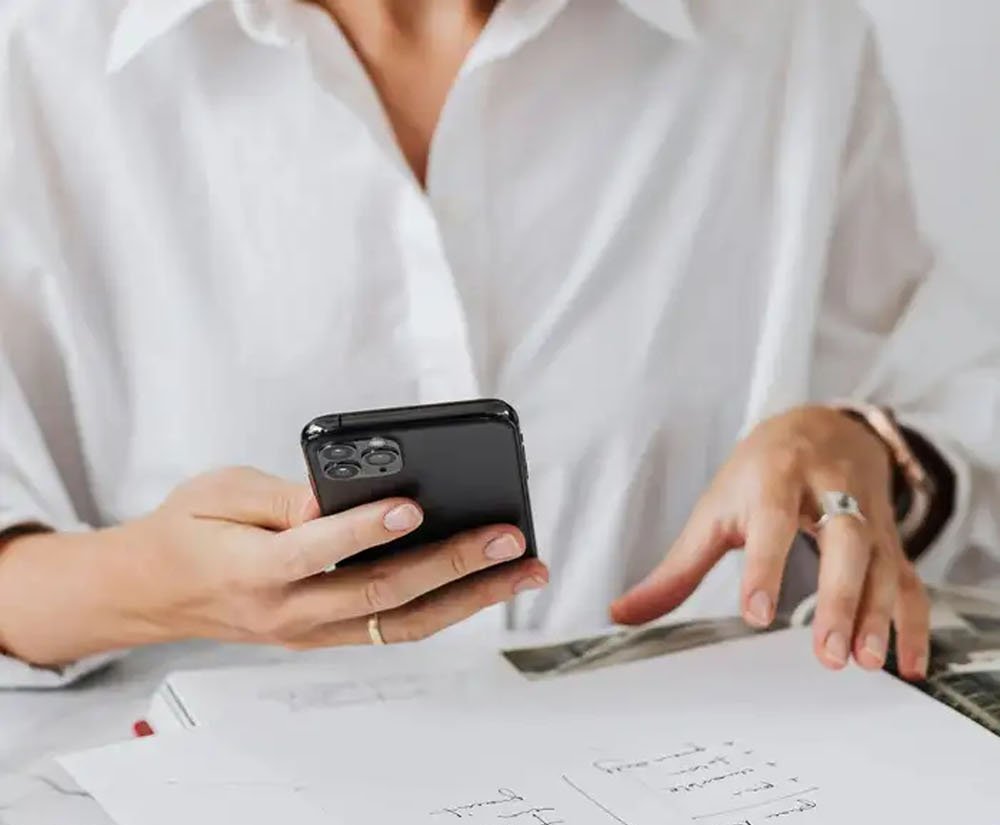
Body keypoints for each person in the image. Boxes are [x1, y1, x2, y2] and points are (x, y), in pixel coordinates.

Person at [1, 0, 998, 690]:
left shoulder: (784, 35)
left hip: (706, 800)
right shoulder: (41, 60)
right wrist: (152, 589)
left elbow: (950, 412)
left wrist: (866, 450)